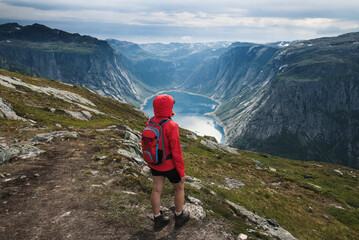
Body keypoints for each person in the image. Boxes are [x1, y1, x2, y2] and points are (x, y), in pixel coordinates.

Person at [146, 94, 190, 231]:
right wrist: (181, 172)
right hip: (170, 165)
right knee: (179, 187)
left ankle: (158, 218)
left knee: (157, 189)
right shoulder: (172, 125)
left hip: (155, 163)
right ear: (168, 107)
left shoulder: (150, 121)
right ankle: (179, 215)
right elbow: (176, 152)